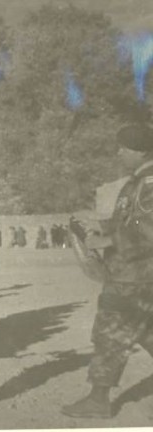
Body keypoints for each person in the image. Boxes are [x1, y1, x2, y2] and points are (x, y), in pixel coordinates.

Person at [62, 123, 153, 419]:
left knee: (110, 334)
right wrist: (99, 226)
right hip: (137, 275)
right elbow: (133, 221)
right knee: (145, 330)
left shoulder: (148, 183)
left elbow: (149, 230)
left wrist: (108, 239)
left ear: (140, 151)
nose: (119, 152)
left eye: (124, 148)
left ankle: (98, 399)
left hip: (132, 275)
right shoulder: (137, 181)